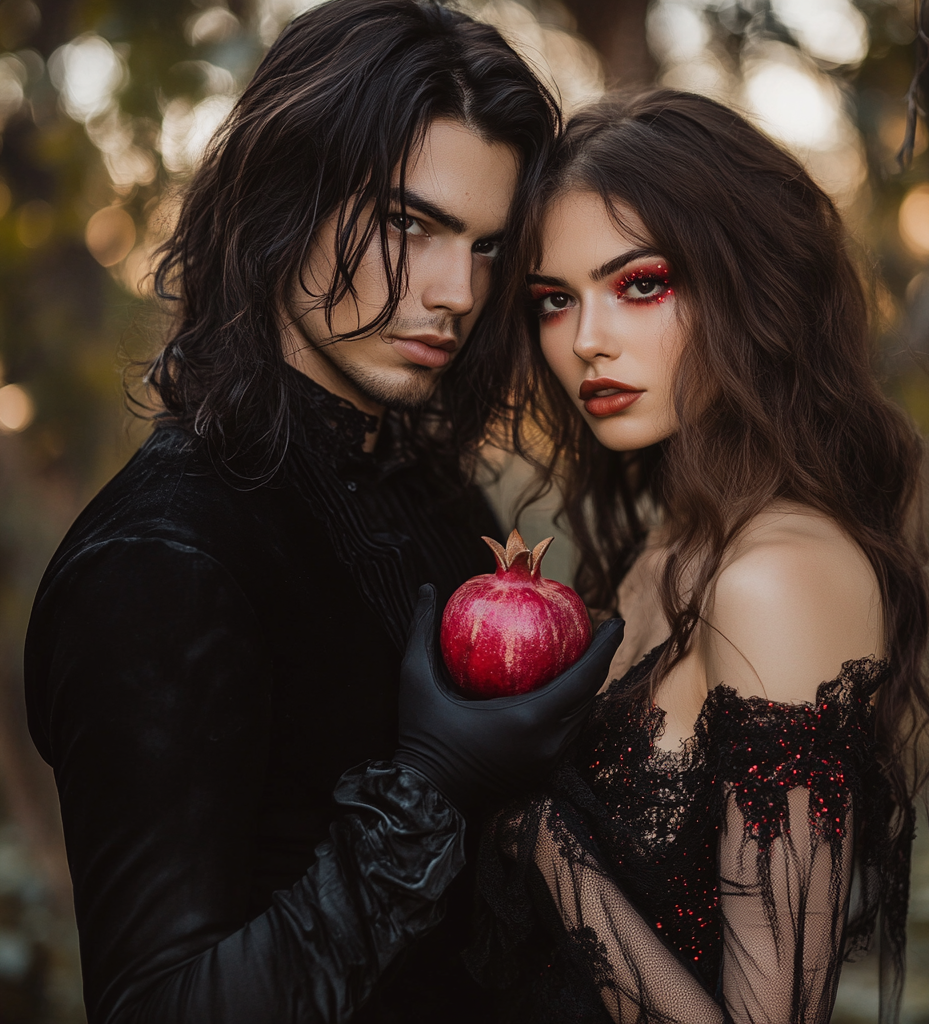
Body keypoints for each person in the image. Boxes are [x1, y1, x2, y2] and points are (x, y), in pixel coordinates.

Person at [23, 3, 623, 1022]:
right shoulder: (163, 558)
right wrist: (428, 785)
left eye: (486, 247)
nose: (454, 293)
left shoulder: (430, 485)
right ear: (280, 198)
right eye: (407, 224)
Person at [472, 91, 929, 1024]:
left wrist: (536, 836)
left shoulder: (776, 576)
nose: (587, 342)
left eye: (640, 284)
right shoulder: (667, 547)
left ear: (747, 282)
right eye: (555, 301)